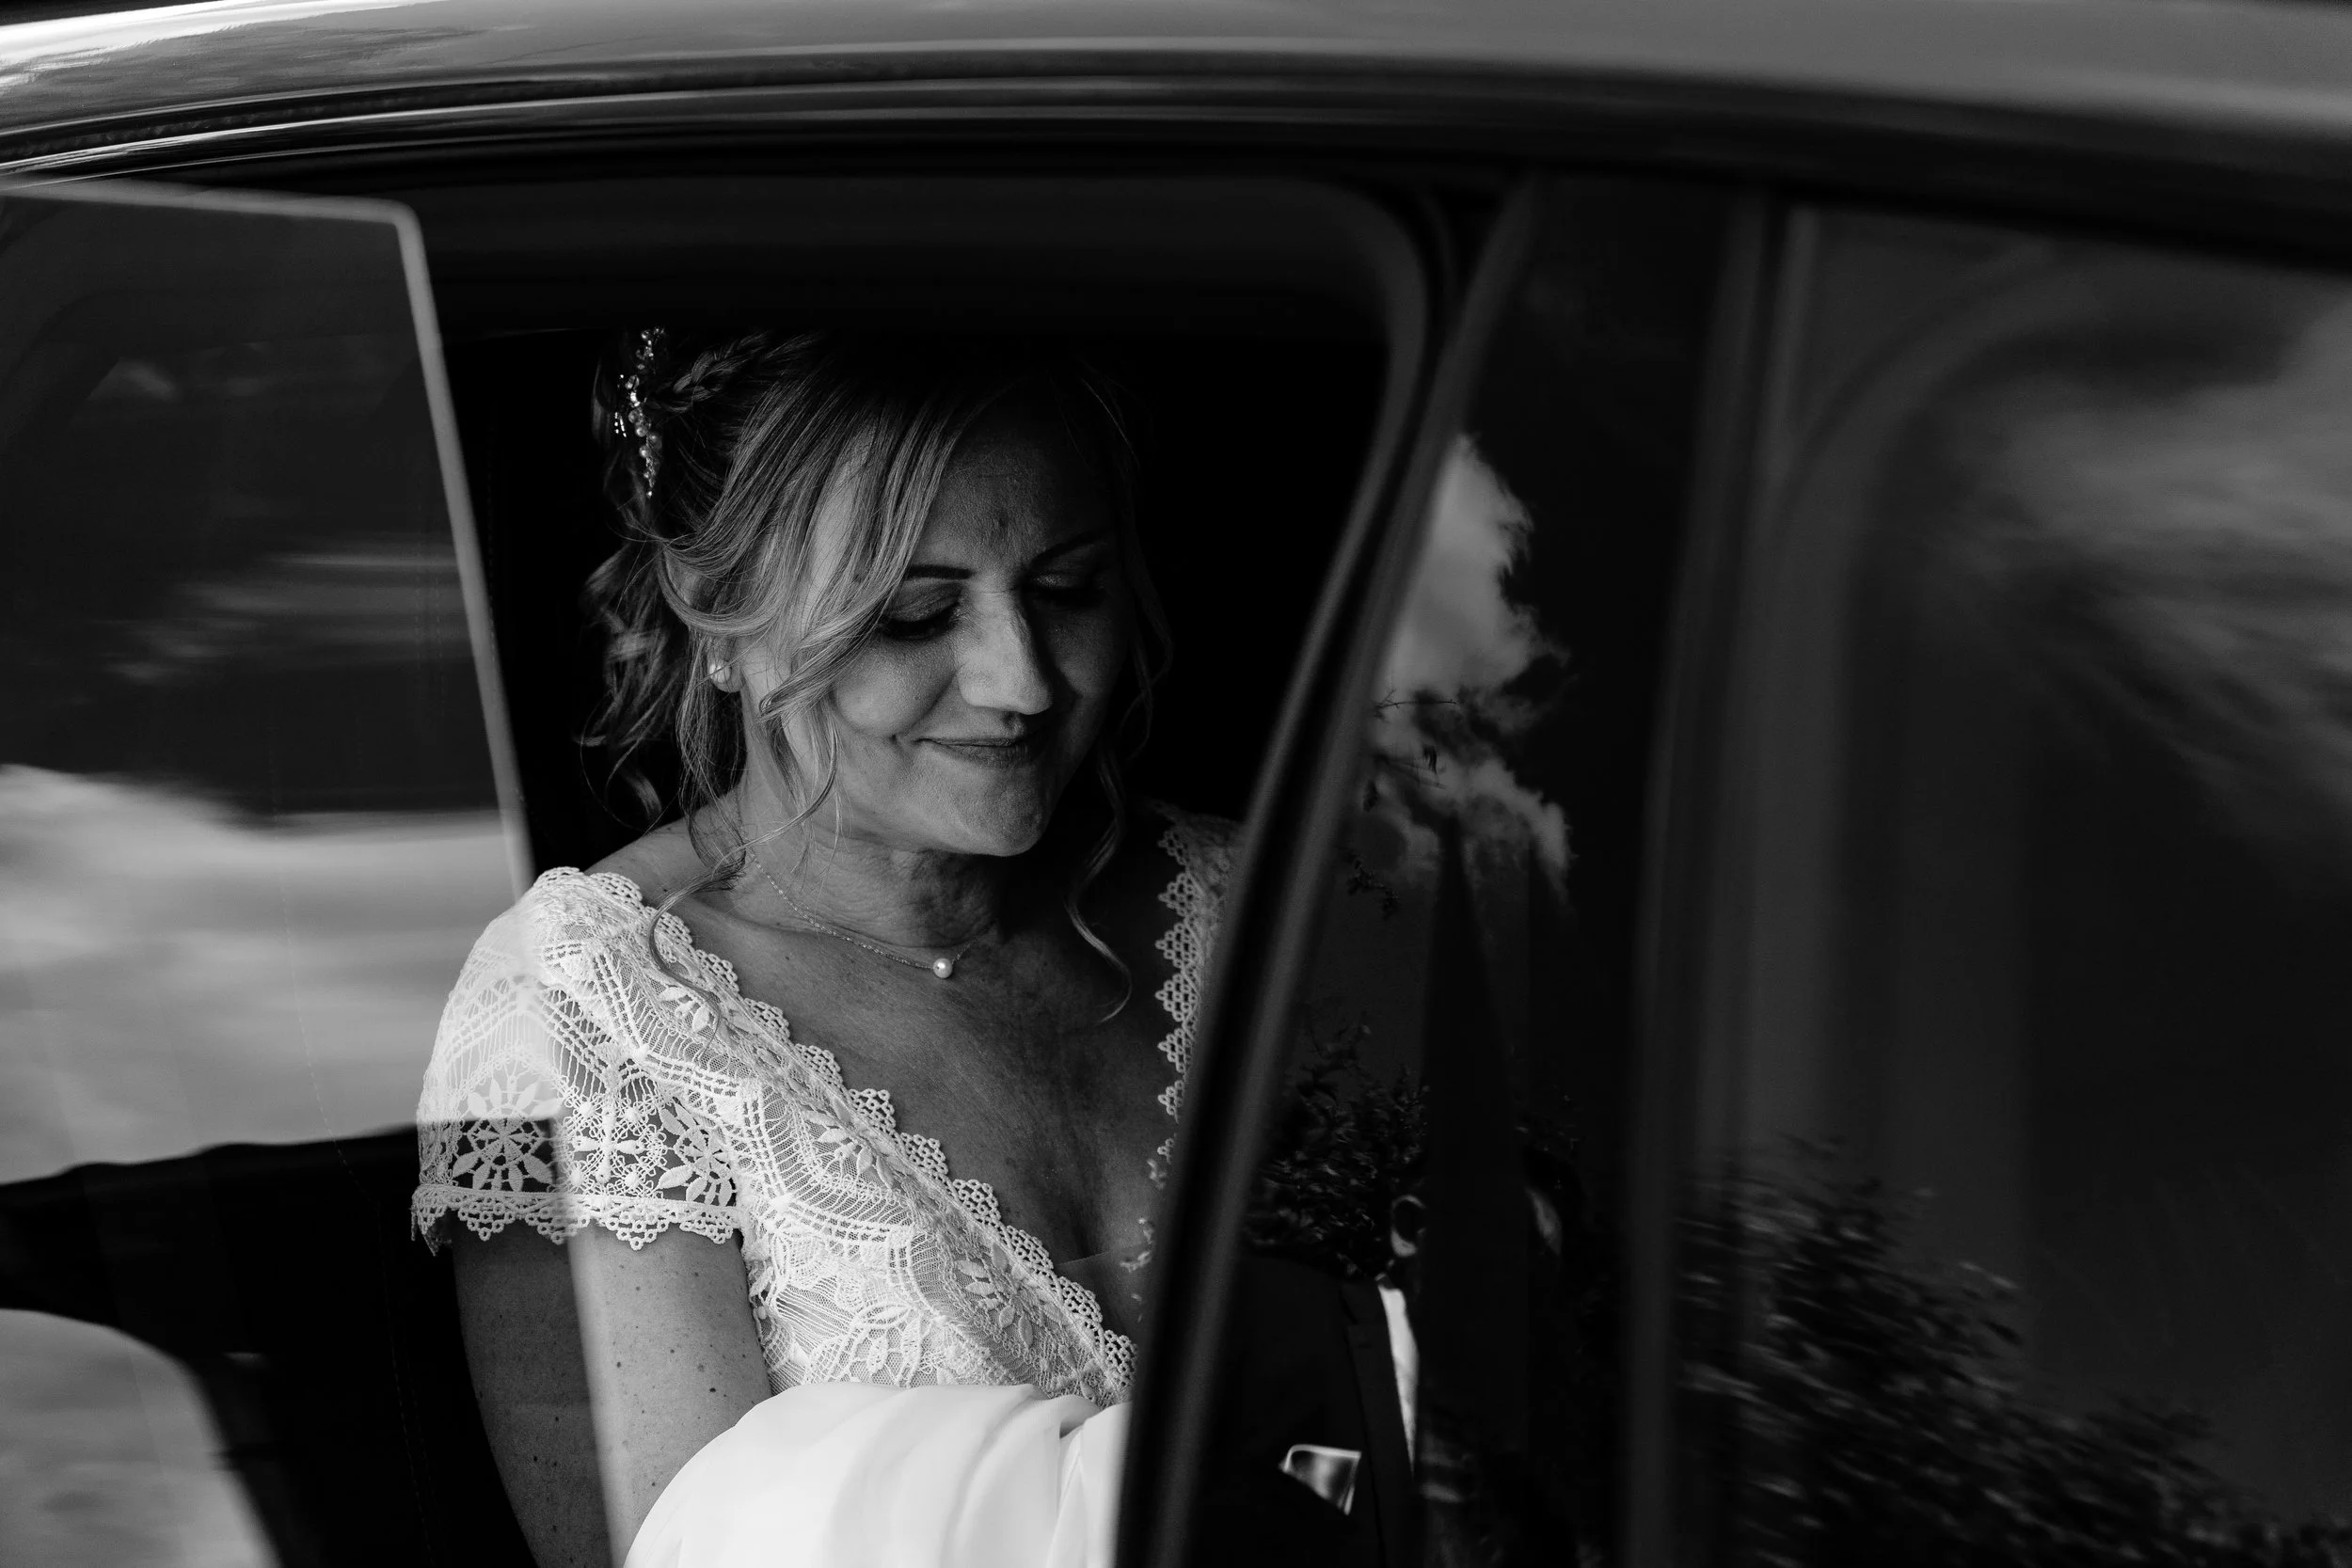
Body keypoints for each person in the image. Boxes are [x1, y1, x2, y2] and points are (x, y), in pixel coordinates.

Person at [410, 329, 1236, 1567]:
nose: (1020, 683)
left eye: (1069, 589)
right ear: (720, 621)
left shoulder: (1260, 894)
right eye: (915, 612)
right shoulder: (562, 1015)